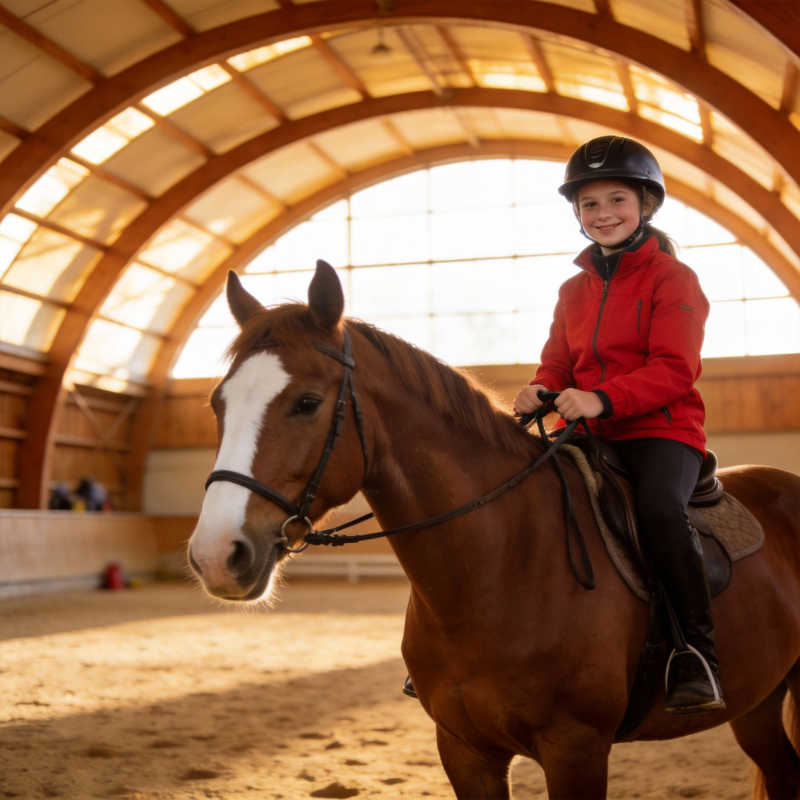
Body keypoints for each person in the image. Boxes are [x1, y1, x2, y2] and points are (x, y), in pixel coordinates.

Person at [514, 135, 723, 715]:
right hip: (588, 429)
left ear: (646, 205)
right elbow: (559, 360)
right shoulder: (571, 289)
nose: (603, 213)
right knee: (515, 496)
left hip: (662, 431)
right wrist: (541, 388)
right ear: (577, 214)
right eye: (589, 204)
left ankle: (696, 652)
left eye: (616, 200)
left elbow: (676, 369)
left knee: (659, 511)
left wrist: (603, 399)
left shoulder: (674, 279)